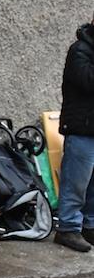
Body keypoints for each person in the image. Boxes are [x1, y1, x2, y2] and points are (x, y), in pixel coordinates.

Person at [55, 15, 94, 253]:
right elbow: (89, 81)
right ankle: (67, 227)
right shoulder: (79, 50)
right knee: (76, 182)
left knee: (93, 186)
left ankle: (90, 226)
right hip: (81, 129)